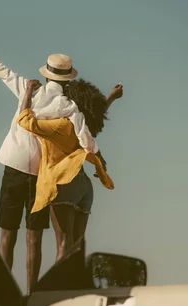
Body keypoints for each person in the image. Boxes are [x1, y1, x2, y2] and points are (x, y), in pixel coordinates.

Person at [0, 21, 105, 293]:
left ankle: (2, 291)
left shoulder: (30, 89)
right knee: (33, 240)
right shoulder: (70, 107)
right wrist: (99, 162)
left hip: (13, 167)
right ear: (67, 78)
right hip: (41, 176)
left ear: (48, 75)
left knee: (7, 236)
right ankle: (33, 294)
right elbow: (87, 140)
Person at [17, 79, 123, 261]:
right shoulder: (84, 124)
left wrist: (27, 92)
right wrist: (111, 98)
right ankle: (77, 288)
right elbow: (93, 114)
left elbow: (25, 120)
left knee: (63, 244)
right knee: (77, 246)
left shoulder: (60, 125)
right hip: (84, 186)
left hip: (64, 183)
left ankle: (61, 288)